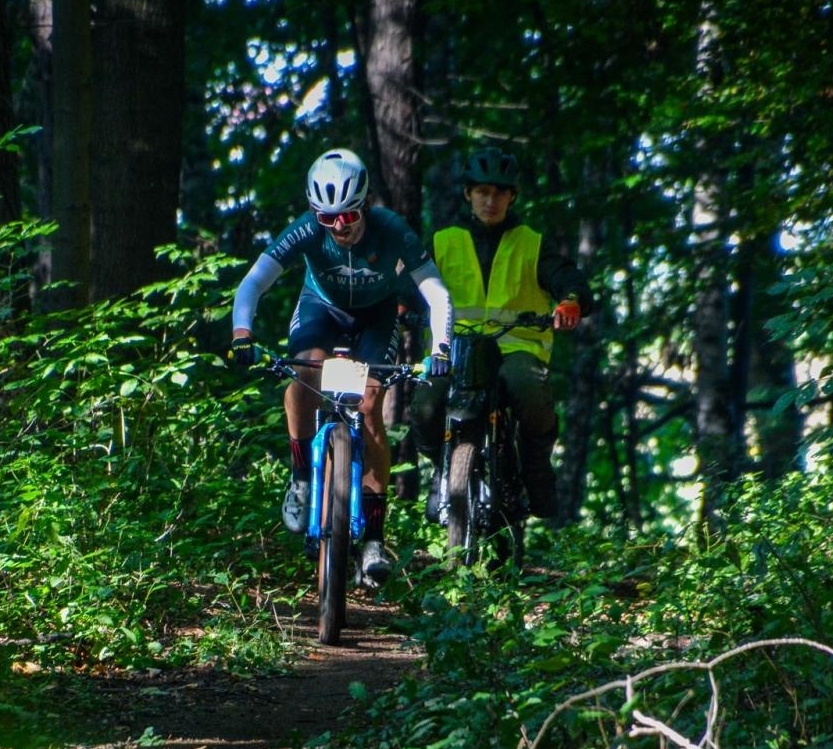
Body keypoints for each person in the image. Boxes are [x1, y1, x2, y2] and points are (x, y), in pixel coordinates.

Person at [230, 147, 454, 586]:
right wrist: (242, 333)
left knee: (370, 406)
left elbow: (436, 292)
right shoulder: (306, 232)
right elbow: (254, 282)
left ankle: (373, 538)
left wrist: (441, 346)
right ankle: (299, 476)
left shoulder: (391, 230)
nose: (337, 226)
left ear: (364, 205)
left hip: (377, 316)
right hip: (321, 309)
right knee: (303, 373)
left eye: (348, 216)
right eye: (326, 217)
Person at [410, 145, 593, 524]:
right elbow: (410, 281)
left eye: (499, 192)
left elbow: (568, 278)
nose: (490, 200)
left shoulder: (532, 244)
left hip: (517, 347)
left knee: (529, 392)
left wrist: (571, 301)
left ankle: (537, 472)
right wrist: (399, 302)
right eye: (482, 191)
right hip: (455, 348)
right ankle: (442, 471)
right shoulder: (443, 242)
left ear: (512, 196)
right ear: (468, 194)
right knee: (426, 406)